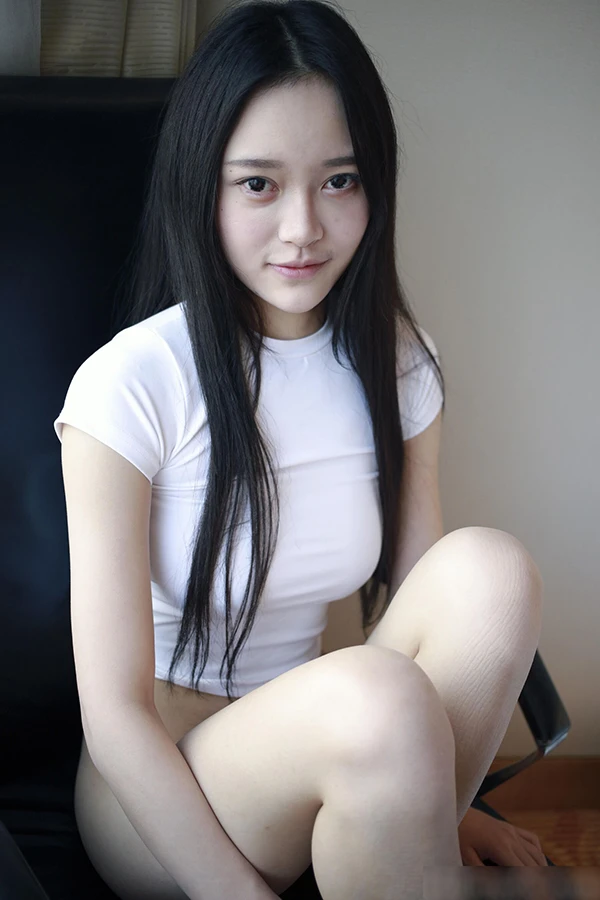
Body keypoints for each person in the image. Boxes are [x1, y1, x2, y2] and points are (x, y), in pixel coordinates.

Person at [53, 1, 547, 898]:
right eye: (258, 184)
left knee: (493, 571)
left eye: (339, 180)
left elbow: (423, 612)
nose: (302, 228)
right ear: (202, 186)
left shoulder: (402, 364)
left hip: (336, 747)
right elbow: (115, 718)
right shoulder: (130, 385)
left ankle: (404, 851)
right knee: (376, 695)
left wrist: (440, 806)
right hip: (159, 791)